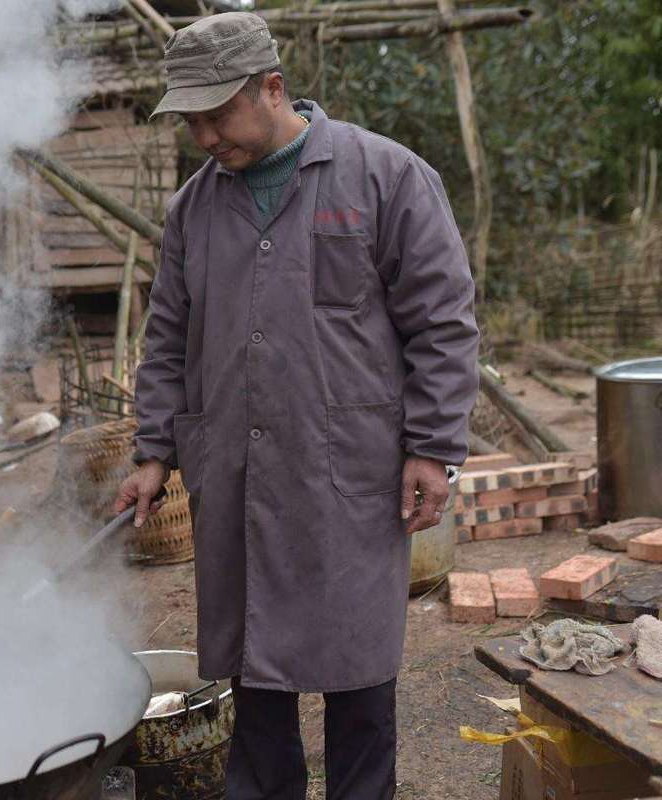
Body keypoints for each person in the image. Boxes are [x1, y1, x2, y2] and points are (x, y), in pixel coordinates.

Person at [113, 12, 479, 799]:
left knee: (358, 680)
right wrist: (152, 453)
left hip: (347, 472)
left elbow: (442, 322)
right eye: (192, 120)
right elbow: (169, 338)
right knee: (254, 676)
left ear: (272, 88)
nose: (205, 136)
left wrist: (433, 445)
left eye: (218, 114)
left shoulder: (384, 177)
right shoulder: (193, 211)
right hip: (236, 473)